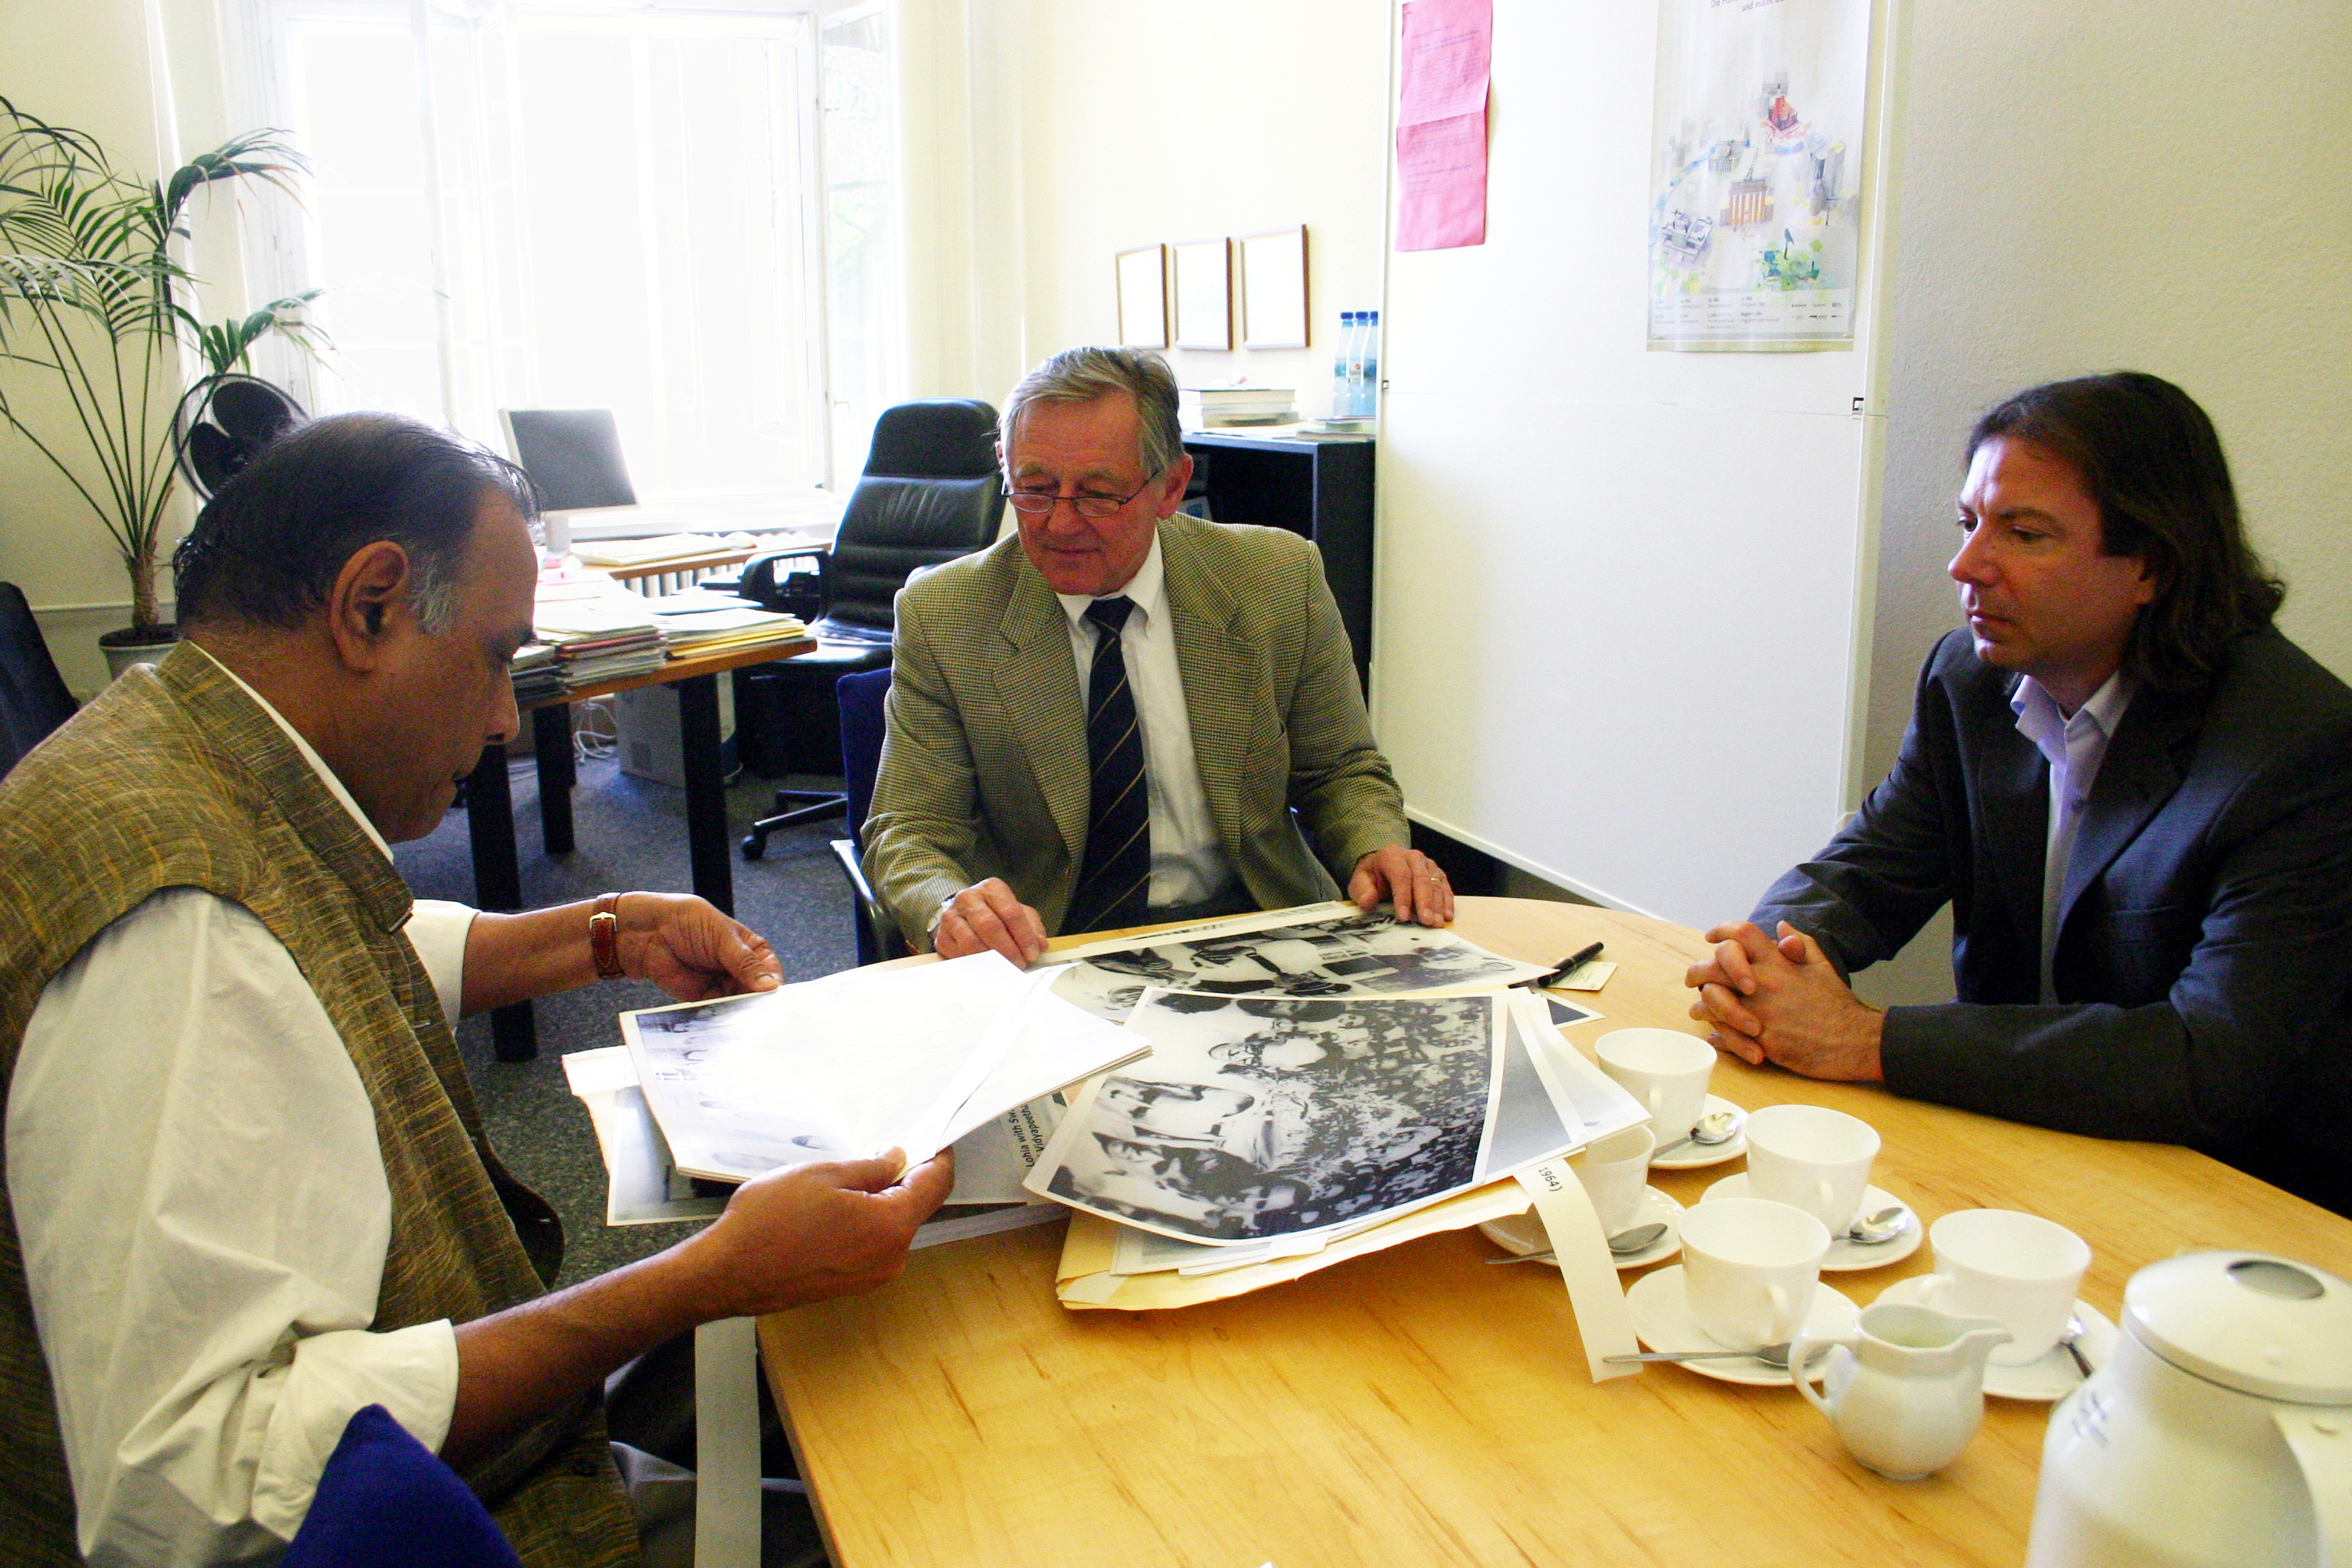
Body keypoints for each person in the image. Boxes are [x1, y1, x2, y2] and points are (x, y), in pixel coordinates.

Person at [0, 413, 954, 1564]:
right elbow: (199, 1476)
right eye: (500, 657)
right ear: (370, 608)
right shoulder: (181, 935)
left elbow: (329, 951)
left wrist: (600, 931)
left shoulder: (171, 755)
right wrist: (699, 1280)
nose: (508, 716)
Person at [1684, 372, 2352, 1217]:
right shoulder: (1967, 678)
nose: (1967, 566)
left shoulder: (2297, 745)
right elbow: (1867, 867)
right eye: (1969, 523)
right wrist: (1768, 964)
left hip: (2225, 1197)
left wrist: (1869, 1039)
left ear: (2153, 564)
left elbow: (2210, 1059)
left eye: (2025, 533)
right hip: (2015, 1143)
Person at [861, 346, 1453, 964]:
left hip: (1259, 927)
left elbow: (1341, 770)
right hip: (1053, 943)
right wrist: (949, 904)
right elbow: (908, 829)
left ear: (1170, 486)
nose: (1059, 525)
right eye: (1034, 490)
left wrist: (1374, 847)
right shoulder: (947, 612)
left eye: (1097, 495)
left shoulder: (1276, 578)